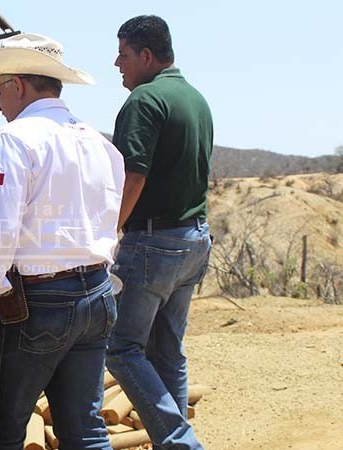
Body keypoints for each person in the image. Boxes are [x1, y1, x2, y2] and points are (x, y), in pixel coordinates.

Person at [0, 33, 125, 449]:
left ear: (18, 86)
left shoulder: (14, 139)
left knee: (2, 432)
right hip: (96, 293)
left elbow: (0, 230)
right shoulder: (98, 143)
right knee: (85, 429)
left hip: (38, 302)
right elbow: (109, 221)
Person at [105, 15, 213, 450]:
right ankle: (177, 442)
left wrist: (110, 229)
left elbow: (134, 176)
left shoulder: (144, 101)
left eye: (124, 54)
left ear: (146, 56)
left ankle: (181, 443)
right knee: (167, 351)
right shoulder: (195, 99)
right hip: (193, 240)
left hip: (152, 243)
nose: (117, 63)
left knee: (121, 348)